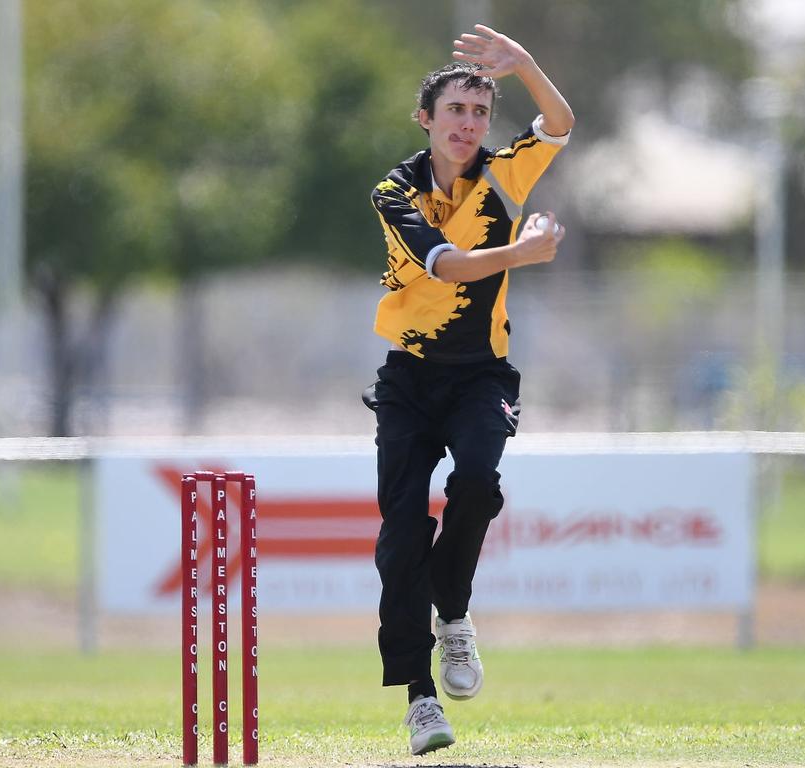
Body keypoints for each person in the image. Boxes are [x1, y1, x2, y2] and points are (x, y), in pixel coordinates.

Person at [362, 24, 574, 756]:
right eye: (456, 110)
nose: (469, 124)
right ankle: (420, 699)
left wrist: (527, 65)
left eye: (480, 113)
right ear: (427, 118)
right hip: (410, 380)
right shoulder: (395, 191)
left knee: (478, 485)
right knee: (401, 537)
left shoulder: (503, 173)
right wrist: (524, 252)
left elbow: (560, 123)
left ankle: (453, 614)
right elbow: (447, 266)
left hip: (482, 373)